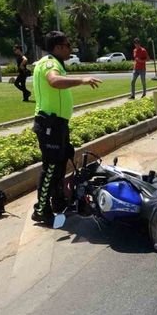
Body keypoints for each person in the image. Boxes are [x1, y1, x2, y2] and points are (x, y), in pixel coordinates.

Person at [31, 31, 103, 225]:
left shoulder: (56, 63)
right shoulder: (49, 63)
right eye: (67, 45)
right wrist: (82, 80)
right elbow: (54, 81)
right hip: (49, 124)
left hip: (58, 124)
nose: (70, 48)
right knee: (51, 167)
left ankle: (57, 201)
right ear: (57, 48)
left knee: (61, 162)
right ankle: (40, 209)